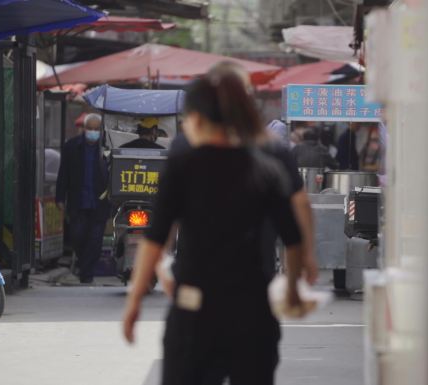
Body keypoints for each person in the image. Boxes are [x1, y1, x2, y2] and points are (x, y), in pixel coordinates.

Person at [123, 69, 306, 385]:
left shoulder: (183, 165)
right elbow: (293, 238)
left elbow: (154, 238)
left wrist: (135, 300)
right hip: (253, 314)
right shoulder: (267, 169)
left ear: (197, 118)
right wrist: (291, 292)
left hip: (194, 315)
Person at [56, 113, 111, 284]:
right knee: (77, 236)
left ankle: (86, 274)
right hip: (78, 201)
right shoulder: (71, 147)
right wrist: (60, 197)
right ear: (84, 129)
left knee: (95, 240)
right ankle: (83, 264)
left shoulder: (107, 149)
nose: (93, 132)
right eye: (90, 129)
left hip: (100, 202)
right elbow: (63, 174)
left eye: (96, 129)